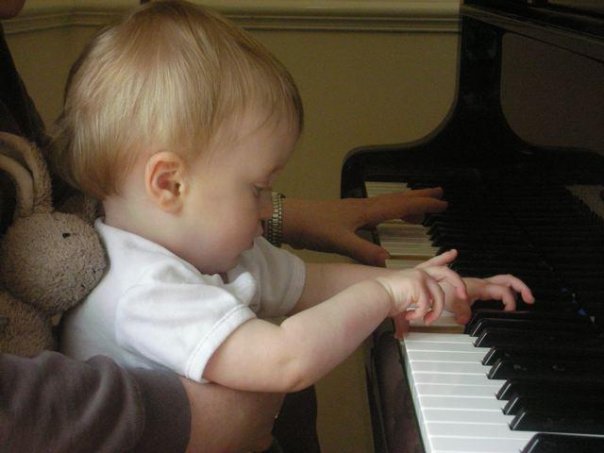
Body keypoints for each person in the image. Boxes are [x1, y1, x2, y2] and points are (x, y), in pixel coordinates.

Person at [53, 2, 533, 441]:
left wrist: (426, 283)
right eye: (257, 189)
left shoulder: (215, 250)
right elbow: (286, 359)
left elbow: (313, 282)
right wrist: (382, 296)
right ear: (170, 184)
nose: (269, 208)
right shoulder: (142, 289)